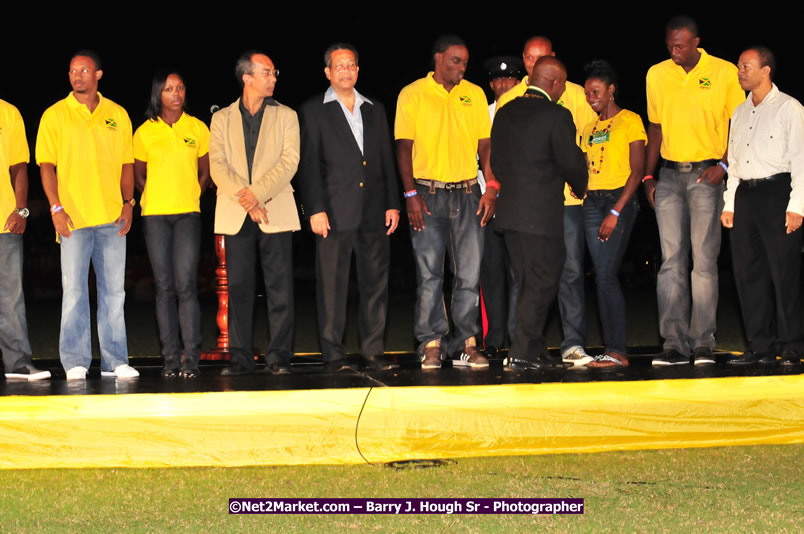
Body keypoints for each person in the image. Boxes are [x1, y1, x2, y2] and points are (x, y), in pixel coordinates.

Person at [643, 16, 744, 366]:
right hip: (669, 175)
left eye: (681, 44)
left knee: (703, 262)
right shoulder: (656, 74)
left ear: (696, 42)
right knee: (671, 262)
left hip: (707, 173)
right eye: (670, 43)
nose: (675, 49)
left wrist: (726, 165)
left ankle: (703, 342)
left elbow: (739, 123)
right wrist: (647, 176)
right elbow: (654, 128)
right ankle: (673, 342)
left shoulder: (724, 72)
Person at [395, 34, 497, 369]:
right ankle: (431, 342)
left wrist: (491, 185)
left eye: (465, 62)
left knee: (468, 273)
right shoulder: (413, 94)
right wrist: (410, 193)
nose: (462, 68)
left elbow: (485, 145)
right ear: (438, 59)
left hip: (469, 193)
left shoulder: (475, 94)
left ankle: (466, 343)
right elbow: (403, 147)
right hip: (428, 194)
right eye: (456, 61)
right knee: (430, 274)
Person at [297, 44, 400, 371]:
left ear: (358, 70)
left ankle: (373, 351)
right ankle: (333, 355)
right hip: (333, 212)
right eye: (339, 66)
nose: (346, 71)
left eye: (351, 65)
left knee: (375, 285)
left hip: (373, 211)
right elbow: (308, 164)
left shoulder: (375, 108)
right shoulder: (314, 110)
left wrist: (393, 204)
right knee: (332, 287)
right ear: (328, 72)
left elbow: (386, 159)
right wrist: (315, 208)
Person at [36, 50, 138, 380]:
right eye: (72, 71)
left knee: (114, 292)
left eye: (84, 70)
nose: (77, 75)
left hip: (111, 217)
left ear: (98, 75)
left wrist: (128, 202)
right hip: (72, 220)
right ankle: (75, 361)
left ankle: (114, 361)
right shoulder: (54, 115)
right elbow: (46, 166)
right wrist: (55, 207)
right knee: (75, 291)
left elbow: (127, 164)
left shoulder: (118, 114)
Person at [496, 36, 597, 367]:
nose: (562, 90)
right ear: (553, 83)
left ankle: (534, 347)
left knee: (526, 281)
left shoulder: (505, 111)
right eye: (562, 85)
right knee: (542, 282)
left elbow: (495, 160)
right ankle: (521, 353)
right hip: (542, 217)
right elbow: (571, 164)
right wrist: (581, 184)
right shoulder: (557, 115)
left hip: (510, 214)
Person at [209, 51, 300, 376]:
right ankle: (240, 358)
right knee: (240, 288)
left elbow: (289, 162)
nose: (273, 78)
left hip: (275, 209)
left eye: (274, 72)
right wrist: (248, 201)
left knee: (280, 289)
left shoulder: (287, 115)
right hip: (237, 213)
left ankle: (279, 358)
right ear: (247, 77)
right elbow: (217, 165)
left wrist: (257, 194)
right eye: (266, 72)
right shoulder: (221, 118)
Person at [721, 47, 803, 367]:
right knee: (747, 273)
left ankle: (792, 346)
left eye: (746, 66)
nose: (740, 71)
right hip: (745, 196)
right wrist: (729, 204)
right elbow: (735, 163)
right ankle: (760, 346)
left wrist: (797, 206)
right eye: (739, 66)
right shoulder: (739, 113)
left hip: (778, 192)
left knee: (783, 273)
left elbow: (801, 159)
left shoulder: (789, 108)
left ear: (765, 70)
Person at [133, 71, 211, 378]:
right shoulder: (144, 132)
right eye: (168, 89)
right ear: (158, 94)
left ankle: (191, 357)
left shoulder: (197, 128)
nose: (175, 93)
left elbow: (205, 173)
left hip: (187, 216)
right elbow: (139, 176)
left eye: (180, 87)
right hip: (155, 217)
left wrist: (194, 195)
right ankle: (169, 358)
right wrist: (154, 196)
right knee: (164, 287)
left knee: (186, 286)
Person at [580, 61, 646, 368]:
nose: (590, 97)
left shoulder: (630, 120)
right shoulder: (588, 128)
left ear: (611, 90)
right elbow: (583, 167)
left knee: (606, 276)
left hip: (617, 200)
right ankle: (611, 348)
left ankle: (617, 350)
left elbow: (638, 170)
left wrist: (616, 211)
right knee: (601, 277)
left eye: (595, 91)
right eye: (586, 92)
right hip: (591, 203)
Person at [0, 99, 50, 381]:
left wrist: (21, 209)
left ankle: (17, 364)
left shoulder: (8, 113)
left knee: (11, 297)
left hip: (4, 220)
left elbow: (19, 167)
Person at [478, 57, 523, 358]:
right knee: (491, 273)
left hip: (520, 204)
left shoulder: (528, 112)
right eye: (497, 80)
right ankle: (493, 339)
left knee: (520, 273)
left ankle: (519, 337)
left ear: (520, 82)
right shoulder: (481, 114)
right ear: (491, 84)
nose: (504, 84)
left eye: (510, 79)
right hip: (487, 202)